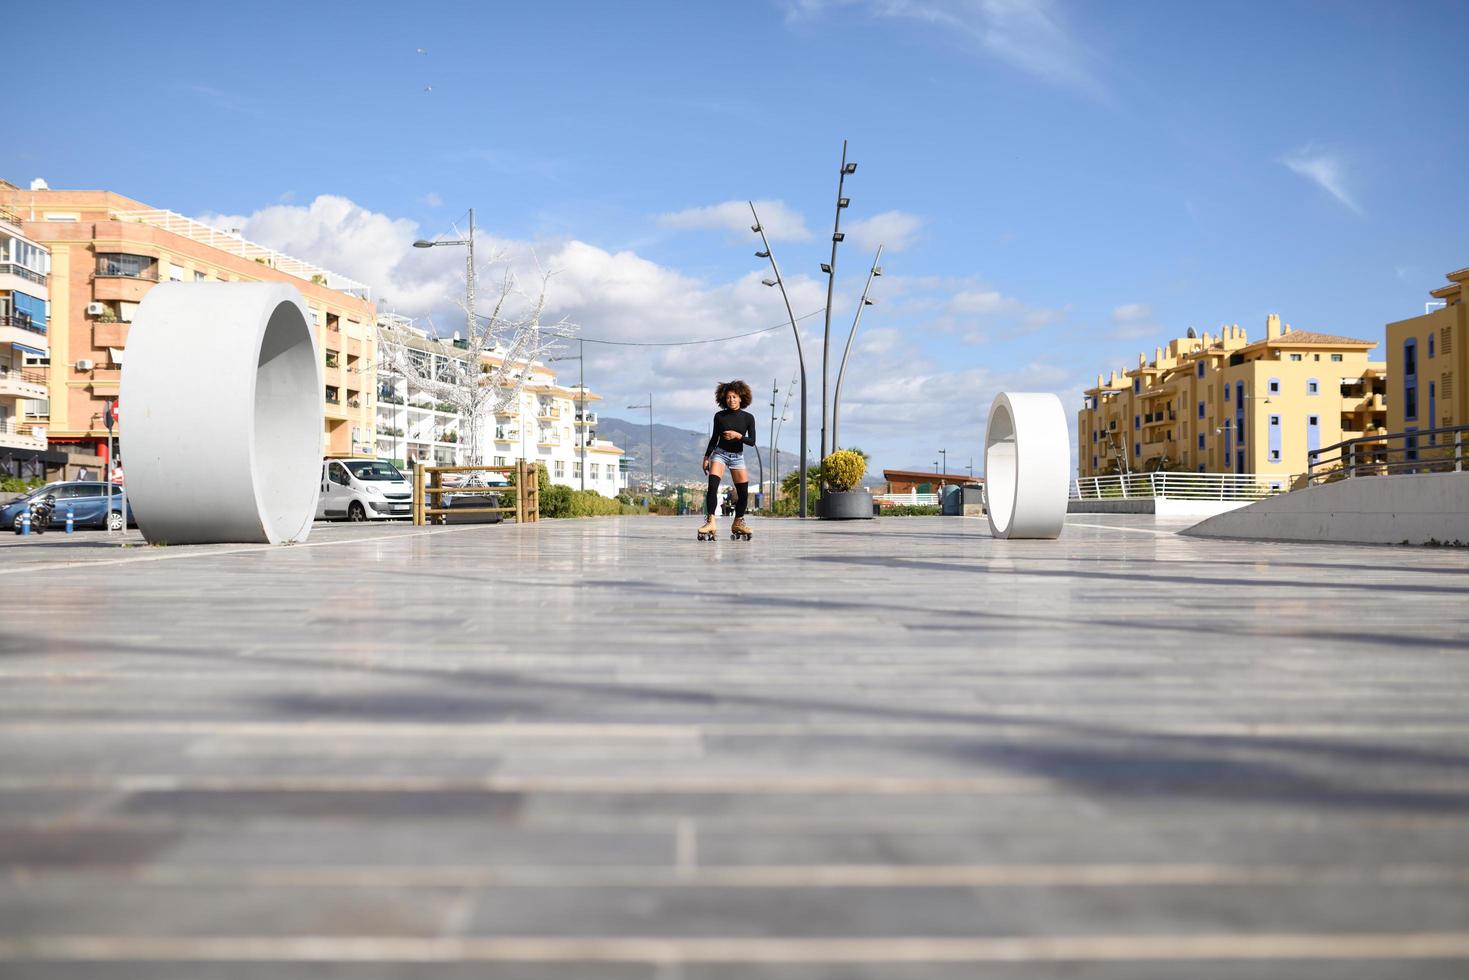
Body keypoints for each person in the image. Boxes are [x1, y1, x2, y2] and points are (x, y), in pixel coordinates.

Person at [698, 380, 756, 539]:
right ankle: (710, 521)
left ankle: (738, 522)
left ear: (741, 398)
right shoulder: (719, 416)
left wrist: (738, 436)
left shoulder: (748, 418)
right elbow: (714, 438)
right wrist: (706, 457)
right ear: (724, 398)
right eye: (729, 397)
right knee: (712, 486)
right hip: (720, 454)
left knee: (743, 494)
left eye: (734, 397)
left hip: (738, 457)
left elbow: (752, 442)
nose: (731, 400)